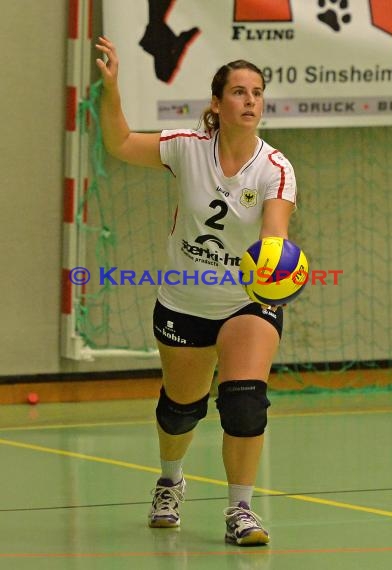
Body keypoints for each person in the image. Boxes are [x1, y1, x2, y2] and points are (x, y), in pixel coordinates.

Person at [96, 36, 297, 546]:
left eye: (257, 93)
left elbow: (276, 230)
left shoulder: (275, 169)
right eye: (238, 92)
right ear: (217, 102)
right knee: (181, 408)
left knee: (245, 402)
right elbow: (119, 143)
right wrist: (112, 87)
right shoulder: (186, 147)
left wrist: (274, 261)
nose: (250, 101)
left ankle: (241, 511)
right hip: (185, 300)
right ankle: (170, 482)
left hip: (245, 301)